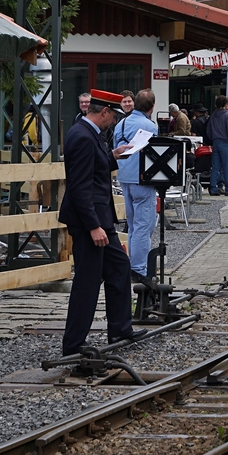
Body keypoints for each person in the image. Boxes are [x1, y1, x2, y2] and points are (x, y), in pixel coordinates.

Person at [59, 89, 146, 358]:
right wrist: (93, 226)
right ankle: (73, 344)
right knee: (87, 280)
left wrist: (114, 155)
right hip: (91, 222)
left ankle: (120, 329)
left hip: (99, 219)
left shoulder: (88, 133)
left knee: (119, 266)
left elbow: (95, 167)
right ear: (104, 111)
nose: (115, 122)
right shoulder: (83, 137)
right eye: (113, 116)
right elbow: (80, 186)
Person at [114, 89, 158, 279]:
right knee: (143, 225)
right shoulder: (149, 125)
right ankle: (139, 269)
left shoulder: (121, 123)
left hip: (124, 176)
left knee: (132, 225)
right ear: (152, 107)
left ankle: (132, 264)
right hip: (142, 178)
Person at [207, 94, 228, 197]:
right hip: (225, 142)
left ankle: (213, 188)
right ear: (225, 104)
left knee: (215, 167)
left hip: (215, 142)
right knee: (227, 167)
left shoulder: (213, 115)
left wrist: (213, 138)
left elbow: (208, 130)